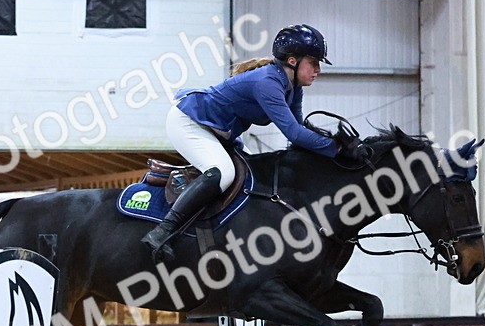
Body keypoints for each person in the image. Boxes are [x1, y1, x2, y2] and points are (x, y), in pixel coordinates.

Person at [141, 24, 370, 263]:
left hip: (221, 133)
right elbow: (293, 133)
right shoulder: (268, 83)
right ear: (293, 61)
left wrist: (336, 150)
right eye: (313, 63)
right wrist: (338, 148)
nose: (318, 70)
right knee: (223, 173)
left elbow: (300, 129)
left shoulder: (292, 87)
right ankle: (162, 232)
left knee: (253, 175)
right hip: (189, 122)